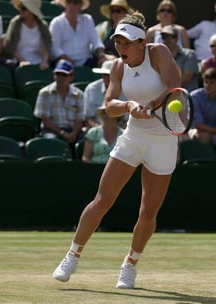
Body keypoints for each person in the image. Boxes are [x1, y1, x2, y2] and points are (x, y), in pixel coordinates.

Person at [52, 9, 181, 289]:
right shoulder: (118, 67)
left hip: (163, 142)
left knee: (148, 212)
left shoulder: (157, 52)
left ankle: (130, 265)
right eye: (117, 42)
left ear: (140, 42)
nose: (120, 47)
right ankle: (72, 255)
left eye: (126, 42)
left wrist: (152, 105)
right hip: (133, 138)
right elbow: (110, 105)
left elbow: (175, 87)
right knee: (102, 200)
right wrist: (129, 106)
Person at [34, 59, 84, 145]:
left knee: (87, 141)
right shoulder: (45, 93)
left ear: (71, 77)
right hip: (51, 131)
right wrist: (62, 133)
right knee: (53, 142)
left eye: (64, 75)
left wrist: (74, 133)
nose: (60, 78)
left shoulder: (78, 94)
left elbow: (79, 120)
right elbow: (46, 122)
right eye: (57, 74)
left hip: (72, 131)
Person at [49, 0, 106, 68]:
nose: (71, 6)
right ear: (65, 4)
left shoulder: (88, 19)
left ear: (81, 6)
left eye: (75, 2)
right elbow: (54, 48)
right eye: (69, 2)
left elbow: (96, 41)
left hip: (87, 62)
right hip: (63, 63)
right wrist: (67, 59)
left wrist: (101, 55)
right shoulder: (56, 22)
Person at [0, 0, 51, 71]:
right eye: (20, 7)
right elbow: (10, 45)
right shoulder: (15, 23)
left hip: (38, 62)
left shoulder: (43, 26)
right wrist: (22, 61)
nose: (21, 10)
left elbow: (47, 47)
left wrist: (44, 62)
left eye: (24, 8)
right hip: (17, 61)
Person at [83, 59, 127, 129]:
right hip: (96, 130)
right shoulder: (91, 89)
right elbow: (88, 118)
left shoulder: (126, 90)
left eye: (110, 75)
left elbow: (127, 120)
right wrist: (100, 131)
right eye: (105, 74)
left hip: (121, 131)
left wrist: (118, 131)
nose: (107, 78)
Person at [160, 25, 199, 92]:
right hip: (165, 96)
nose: (167, 40)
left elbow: (186, 78)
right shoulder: (159, 57)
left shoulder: (189, 54)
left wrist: (166, 90)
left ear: (177, 38)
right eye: (164, 37)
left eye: (171, 36)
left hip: (186, 96)